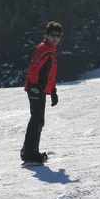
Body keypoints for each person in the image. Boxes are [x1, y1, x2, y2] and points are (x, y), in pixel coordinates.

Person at [20, 21, 63, 164]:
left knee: (38, 119)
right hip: (35, 89)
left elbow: (49, 74)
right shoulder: (43, 49)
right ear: (46, 35)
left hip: (40, 89)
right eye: (52, 35)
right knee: (37, 119)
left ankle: (29, 150)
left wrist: (53, 91)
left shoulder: (50, 50)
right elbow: (33, 68)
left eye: (58, 35)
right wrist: (34, 86)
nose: (55, 38)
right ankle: (29, 154)